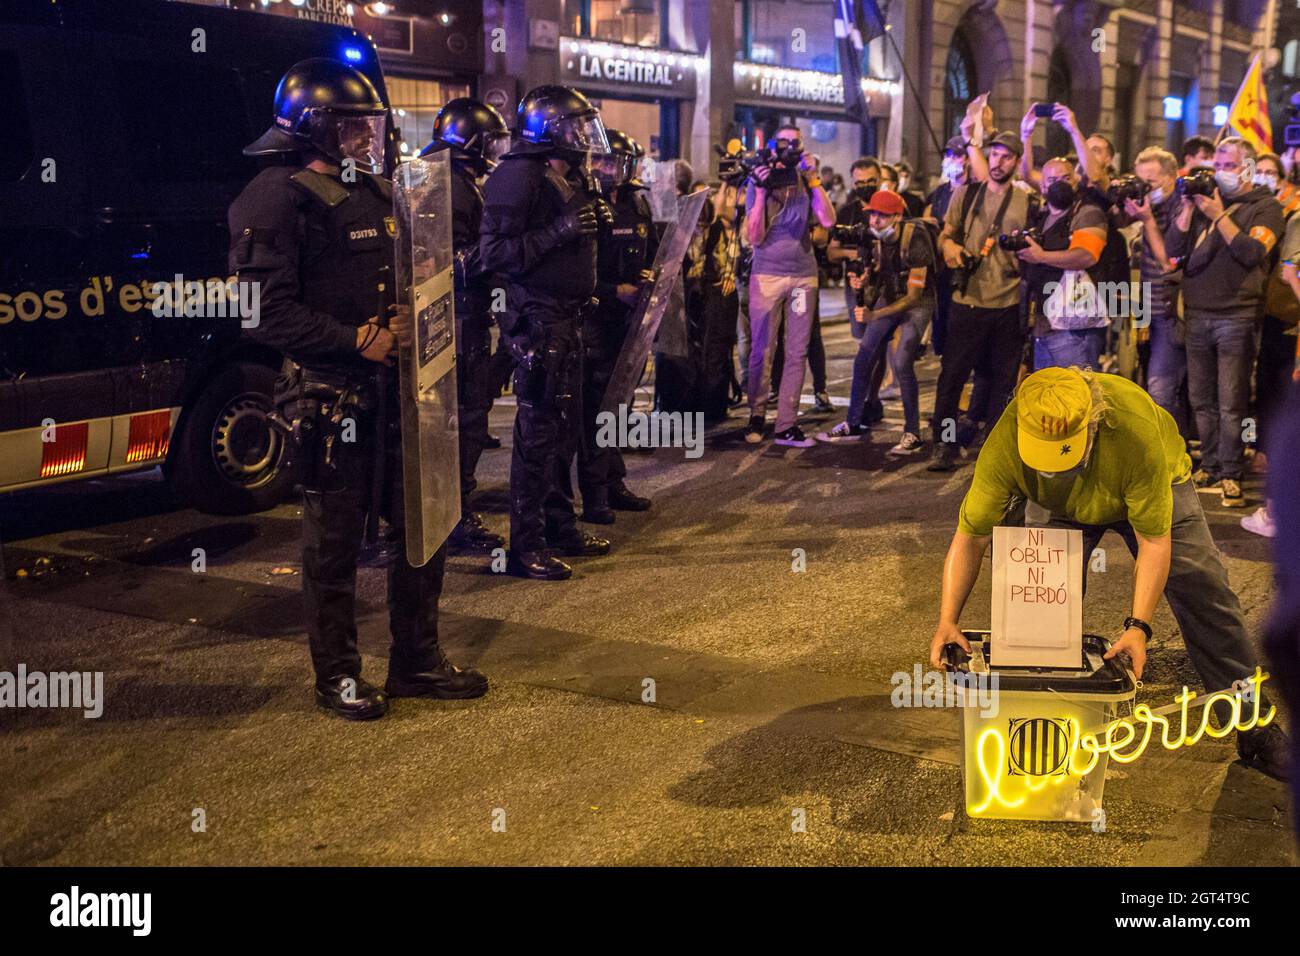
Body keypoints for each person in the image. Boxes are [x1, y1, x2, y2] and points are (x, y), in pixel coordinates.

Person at [230, 58, 488, 718]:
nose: (366, 139)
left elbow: (407, 267)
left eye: (369, 126)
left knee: (418, 529)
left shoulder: (376, 189)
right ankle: (338, 676)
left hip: (396, 393)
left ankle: (416, 661)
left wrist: (407, 312)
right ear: (315, 128)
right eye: (352, 128)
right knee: (335, 547)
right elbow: (263, 313)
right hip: (330, 395)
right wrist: (356, 340)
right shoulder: (274, 196)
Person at [930, 367, 1289, 780]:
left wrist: (1139, 627)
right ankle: (1040, 724)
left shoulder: (1134, 432)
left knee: (1206, 593)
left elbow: (1154, 542)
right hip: (1062, 506)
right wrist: (947, 620)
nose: (1054, 465)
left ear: (1094, 422)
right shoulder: (1007, 439)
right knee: (1037, 603)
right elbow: (970, 536)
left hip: (1155, 483)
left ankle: (1253, 725)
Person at [478, 84, 614, 580]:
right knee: (536, 436)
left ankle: (559, 526)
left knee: (563, 433)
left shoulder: (569, 175)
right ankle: (525, 545)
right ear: (547, 130)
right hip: (537, 321)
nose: (582, 135)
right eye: (573, 126)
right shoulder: (517, 177)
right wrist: (559, 232)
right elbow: (493, 254)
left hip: (568, 318)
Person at [1166, 136, 1285, 508]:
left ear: (1247, 169)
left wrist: (1219, 215)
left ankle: (1232, 471)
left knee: (1231, 399)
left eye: (1229, 165)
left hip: (1236, 313)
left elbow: (1252, 252)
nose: (1221, 173)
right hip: (1198, 313)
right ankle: (1212, 465)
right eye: (1218, 165)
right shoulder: (1203, 203)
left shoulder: (1264, 206)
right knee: (1201, 398)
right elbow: (1172, 254)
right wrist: (1187, 210)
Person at [418, 97, 511, 553]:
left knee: (450, 420)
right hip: (459, 317)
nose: (494, 149)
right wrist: (498, 252)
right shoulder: (452, 186)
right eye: (489, 139)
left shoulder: (439, 177)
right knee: (467, 419)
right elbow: (453, 260)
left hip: (445, 317)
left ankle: (442, 508)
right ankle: (455, 514)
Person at [929, 131, 1035, 472]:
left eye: (1006, 157)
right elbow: (946, 235)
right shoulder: (967, 193)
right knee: (952, 380)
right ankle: (944, 443)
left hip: (1007, 305)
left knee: (1002, 382)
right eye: (994, 155)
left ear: (1017, 162)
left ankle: (993, 447)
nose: (998, 162)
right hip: (968, 300)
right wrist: (952, 250)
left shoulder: (1026, 202)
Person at [579, 128, 657, 524]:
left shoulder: (637, 205)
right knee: (596, 409)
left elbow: (655, 253)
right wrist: (616, 291)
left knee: (619, 407)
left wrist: (649, 278)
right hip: (595, 319)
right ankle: (593, 496)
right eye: (601, 160)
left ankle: (614, 481)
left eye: (614, 161)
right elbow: (577, 271)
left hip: (630, 321)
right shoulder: (584, 203)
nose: (607, 168)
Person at [816, 189, 932, 455]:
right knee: (864, 355)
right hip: (889, 295)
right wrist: (863, 279)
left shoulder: (915, 237)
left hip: (918, 301)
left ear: (898, 216)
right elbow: (871, 272)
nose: (875, 221)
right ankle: (853, 422)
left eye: (882, 216)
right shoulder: (872, 238)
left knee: (902, 362)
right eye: (872, 215)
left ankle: (912, 432)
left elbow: (914, 296)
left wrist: (874, 316)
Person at [742, 124, 836, 447]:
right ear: (772, 146)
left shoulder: (806, 180)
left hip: (801, 279)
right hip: (766, 277)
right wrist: (760, 191)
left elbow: (827, 220)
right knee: (762, 349)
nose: (790, 149)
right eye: (784, 143)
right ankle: (756, 414)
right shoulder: (760, 178)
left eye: (795, 143)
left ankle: (786, 424)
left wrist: (814, 180)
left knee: (797, 350)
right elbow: (753, 237)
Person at [1015, 156, 1110, 371]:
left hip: (1073, 325)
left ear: (1076, 180)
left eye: (1066, 177)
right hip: (1043, 321)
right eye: (1052, 179)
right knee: (1050, 396)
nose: (1059, 184)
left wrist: (1041, 256)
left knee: (1079, 395)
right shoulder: (1041, 216)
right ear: (1043, 185)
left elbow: (1086, 255)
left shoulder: (1087, 213)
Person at [1124, 147, 1187, 435]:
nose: (1144, 189)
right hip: (1147, 312)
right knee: (1151, 388)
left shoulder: (1182, 208)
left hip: (1171, 313)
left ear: (1172, 177)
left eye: (1150, 182)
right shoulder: (1148, 203)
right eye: (1140, 181)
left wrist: (1147, 220)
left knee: (1161, 388)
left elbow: (1169, 264)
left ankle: (1168, 456)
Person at [923, 138, 969, 357]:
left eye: (957, 155)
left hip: (961, 268)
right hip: (940, 270)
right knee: (941, 332)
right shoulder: (940, 192)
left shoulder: (971, 192)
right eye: (948, 154)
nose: (951, 159)